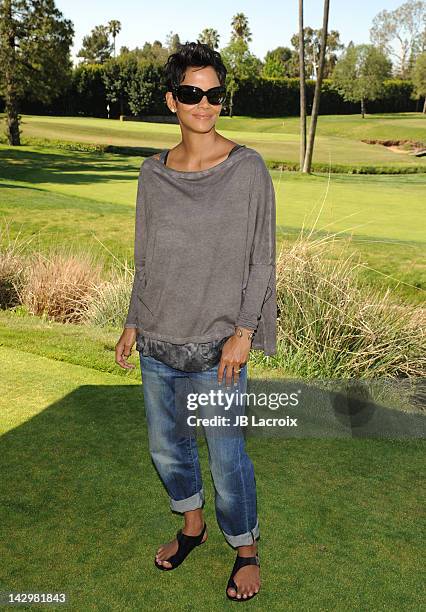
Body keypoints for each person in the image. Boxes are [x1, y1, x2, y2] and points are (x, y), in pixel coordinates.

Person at [115, 40, 277, 602]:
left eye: (213, 93)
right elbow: (146, 256)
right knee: (167, 448)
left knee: (228, 458)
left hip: (218, 346)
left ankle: (246, 549)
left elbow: (262, 257)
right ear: (171, 100)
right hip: (158, 339)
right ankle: (191, 526)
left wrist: (245, 330)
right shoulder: (152, 174)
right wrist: (134, 320)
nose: (204, 104)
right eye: (191, 93)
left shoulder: (248, 168)